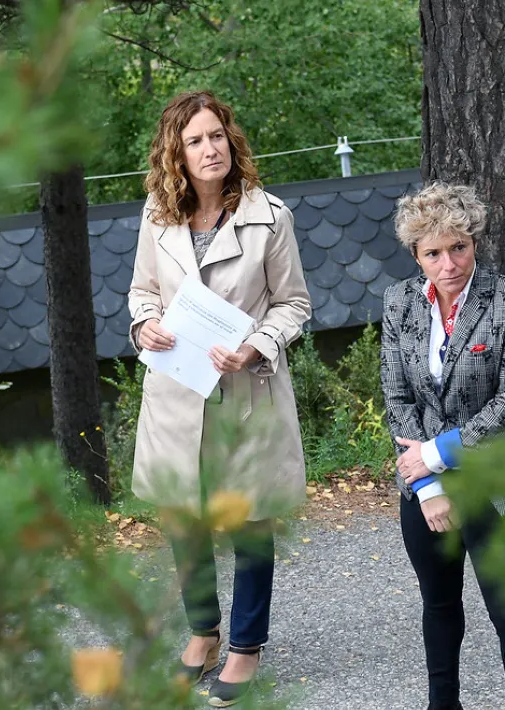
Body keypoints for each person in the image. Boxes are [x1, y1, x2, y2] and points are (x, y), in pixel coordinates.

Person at [127, 90, 311, 708]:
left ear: (232, 141)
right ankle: (202, 634)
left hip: (246, 392)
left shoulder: (269, 217)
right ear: (175, 154)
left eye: (217, 136)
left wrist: (256, 345)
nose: (210, 150)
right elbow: (142, 292)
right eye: (195, 141)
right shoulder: (158, 213)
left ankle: (245, 645)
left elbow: (295, 305)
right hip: (177, 391)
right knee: (183, 517)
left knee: (250, 518)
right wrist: (144, 326)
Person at [379, 182, 505, 710]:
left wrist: (435, 455)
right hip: (422, 488)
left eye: (459, 247)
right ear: (416, 255)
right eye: (433, 253)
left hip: (497, 483)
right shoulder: (399, 301)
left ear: (475, 242)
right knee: (439, 603)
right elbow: (396, 395)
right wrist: (427, 484)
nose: (448, 263)